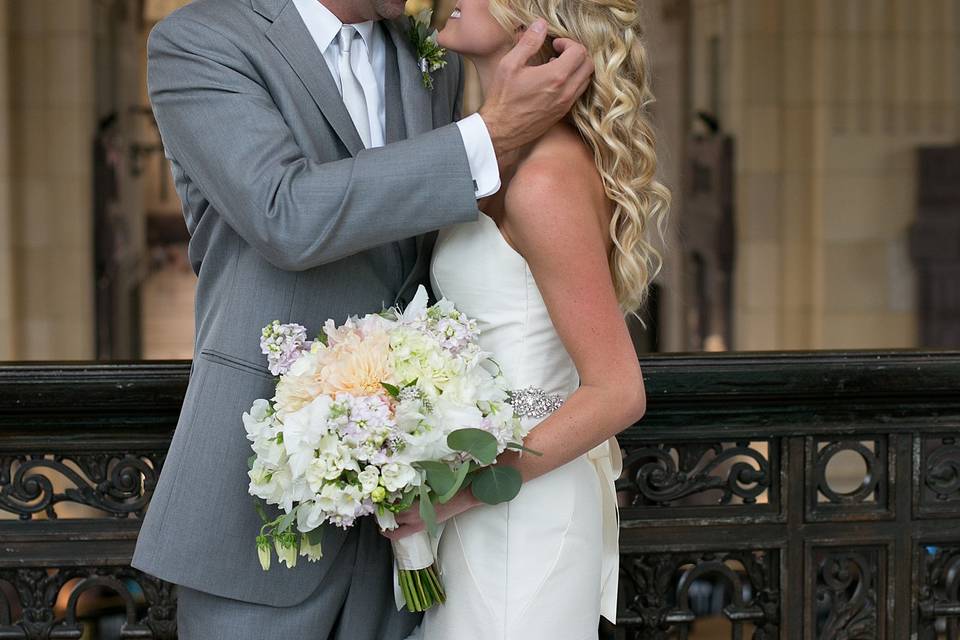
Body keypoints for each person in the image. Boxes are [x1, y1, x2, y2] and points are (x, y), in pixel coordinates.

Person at [130, 0, 594, 638]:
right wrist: (491, 133)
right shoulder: (200, 42)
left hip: (416, 515)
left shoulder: (427, 51)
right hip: (259, 498)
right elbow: (283, 215)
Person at [381, 1, 669, 638]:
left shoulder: (545, 177)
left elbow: (618, 391)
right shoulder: (496, 156)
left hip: (518, 511)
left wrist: (458, 492)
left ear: (534, 17)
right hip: (485, 494)